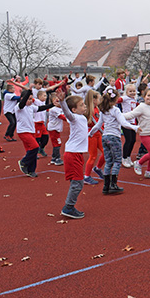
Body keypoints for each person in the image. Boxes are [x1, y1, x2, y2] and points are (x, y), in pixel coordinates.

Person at [89, 87, 137, 195]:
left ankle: (106, 186)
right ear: (115, 100)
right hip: (114, 137)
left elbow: (98, 124)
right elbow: (123, 123)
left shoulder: (103, 111)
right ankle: (113, 184)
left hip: (105, 137)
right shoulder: (116, 110)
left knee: (109, 161)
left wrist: (90, 133)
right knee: (117, 161)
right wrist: (135, 128)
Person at [58, 91, 89, 219]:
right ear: (74, 109)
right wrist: (62, 102)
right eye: (81, 105)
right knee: (78, 183)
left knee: (76, 182)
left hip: (77, 154)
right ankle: (68, 207)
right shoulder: (74, 118)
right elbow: (67, 114)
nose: (85, 106)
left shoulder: (82, 118)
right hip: (72, 154)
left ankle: (69, 206)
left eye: (84, 104)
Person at [124, 88, 150, 179]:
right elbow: (131, 114)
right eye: (148, 96)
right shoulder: (141, 107)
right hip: (145, 134)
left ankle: (149, 171)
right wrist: (119, 115)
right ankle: (139, 163)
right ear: (144, 96)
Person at [15, 87, 55, 178]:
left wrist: (53, 104)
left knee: (31, 151)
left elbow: (41, 108)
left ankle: (31, 170)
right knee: (35, 147)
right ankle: (23, 162)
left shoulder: (31, 107)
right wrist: (29, 91)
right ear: (22, 98)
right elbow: (22, 104)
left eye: (31, 99)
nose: (30, 101)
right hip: (23, 132)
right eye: (28, 99)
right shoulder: (18, 107)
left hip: (31, 131)